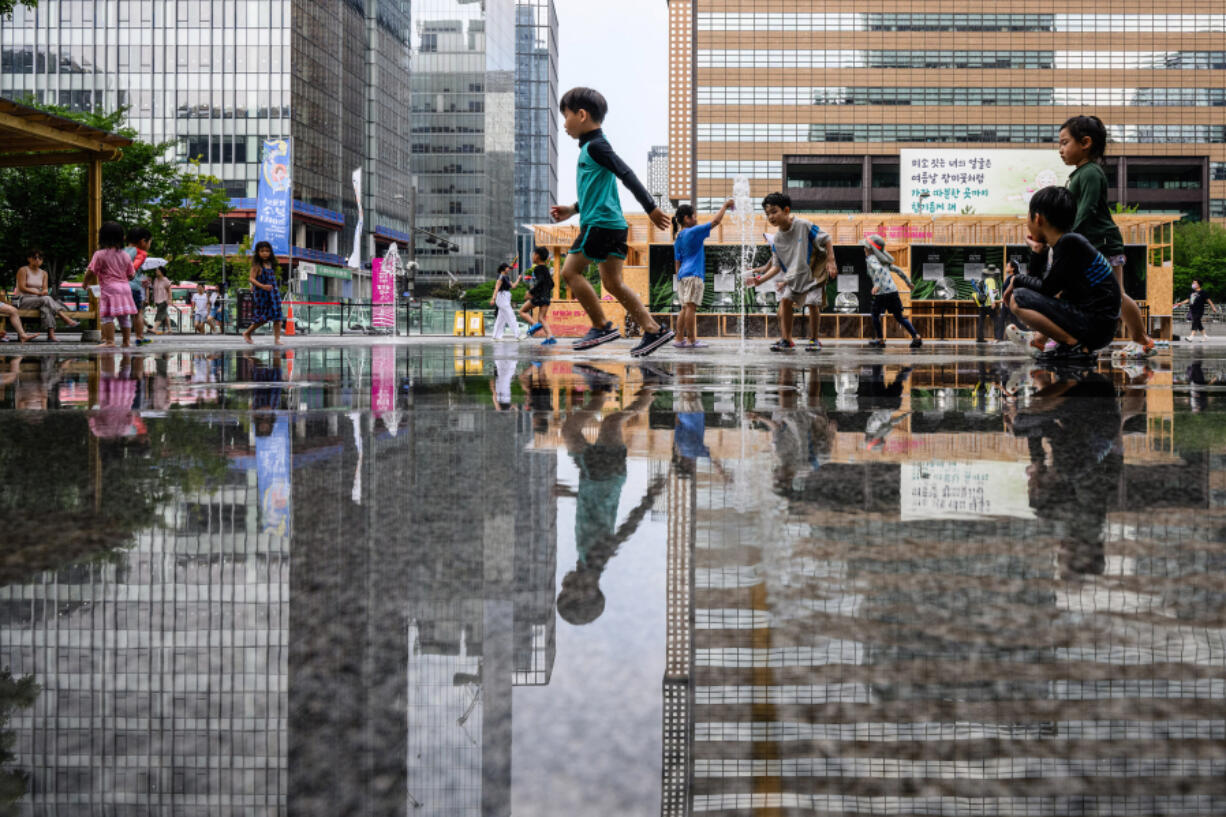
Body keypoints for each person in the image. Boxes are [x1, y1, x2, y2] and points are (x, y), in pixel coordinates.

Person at [549, 87, 674, 357]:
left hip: (599, 224)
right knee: (613, 283)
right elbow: (596, 193)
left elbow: (626, 173)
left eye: (566, 115)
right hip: (613, 224)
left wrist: (650, 207)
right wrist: (572, 209)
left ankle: (601, 325)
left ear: (581, 115)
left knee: (570, 273)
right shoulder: (591, 149)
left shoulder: (596, 146)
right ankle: (653, 329)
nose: (564, 123)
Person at [555, 373, 664, 625]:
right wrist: (651, 495)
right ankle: (648, 388)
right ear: (589, 591)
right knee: (611, 422)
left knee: (575, 428)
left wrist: (571, 493)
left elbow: (593, 511)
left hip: (592, 477)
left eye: (563, 592)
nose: (565, 586)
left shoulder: (585, 559)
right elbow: (627, 528)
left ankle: (602, 391)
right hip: (604, 476)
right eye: (569, 593)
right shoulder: (596, 559)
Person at [1058, 115, 1155, 358]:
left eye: (1064, 142)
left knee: (1115, 295)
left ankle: (1142, 340)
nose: (1060, 149)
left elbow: (1087, 210)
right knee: (1077, 292)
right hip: (1091, 244)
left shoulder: (1090, 173)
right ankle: (1049, 338)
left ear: (1085, 143)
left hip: (1103, 244)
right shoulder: (1080, 174)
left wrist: (1068, 241)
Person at [1003, 186, 1122, 362]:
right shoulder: (1069, 243)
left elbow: (1046, 289)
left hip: (1095, 325)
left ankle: (1073, 345)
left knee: (1018, 297)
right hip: (1097, 325)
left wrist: (1015, 279)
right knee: (1024, 293)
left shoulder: (1069, 243)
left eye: (1028, 216)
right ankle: (1059, 343)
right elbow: (1044, 287)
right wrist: (1037, 251)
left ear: (1038, 218)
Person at [744, 192, 836, 352]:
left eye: (774, 212)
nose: (771, 217)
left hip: (815, 271)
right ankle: (786, 340)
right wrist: (761, 280)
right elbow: (776, 266)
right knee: (786, 300)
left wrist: (831, 260)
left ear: (786, 210)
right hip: (798, 275)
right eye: (767, 214)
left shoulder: (803, 225)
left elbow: (826, 238)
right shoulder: (778, 239)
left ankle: (814, 339)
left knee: (812, 304)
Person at [671, 199, 733, 349]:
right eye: (694, 216)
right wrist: (725, 205)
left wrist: (679, 277)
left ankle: (679, 339)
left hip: (682, 276)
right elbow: (716, 222)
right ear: (687, 218)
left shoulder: (678, 237)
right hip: (694, 274)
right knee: (691, 308)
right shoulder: (693, 231)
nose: (696, 219)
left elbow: (677, 261)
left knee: (684, 308)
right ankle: (692, 340)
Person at [860, 234, 922, 349]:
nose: (864, 249)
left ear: (870, 249)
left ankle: (880, 340)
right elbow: (898, 270)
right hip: (893, 292)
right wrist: (908, 283)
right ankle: (916, 336)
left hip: (881, 293)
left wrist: (877, 284)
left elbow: (878, 270)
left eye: (865, 247)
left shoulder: (871, 259)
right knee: (899, 317)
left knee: (875, 316)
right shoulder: (883, 259)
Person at [87, 221, 138, 349]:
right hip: (125, 288)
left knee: (107, 316)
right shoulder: (125, 255)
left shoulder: (100, 254)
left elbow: (91, 271)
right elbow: (132, 274)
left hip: (109, 289)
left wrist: (84, 282)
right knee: (124, 317)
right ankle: (126, 342)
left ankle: (110, 341)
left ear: (102, 237)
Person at [14, 248, 79, 341]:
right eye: (35, 257)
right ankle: (65, 318)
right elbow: (22, 287)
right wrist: (38, 293)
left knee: (46, 306)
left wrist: (44, 292)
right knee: (46, 299)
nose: (37, 260)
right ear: (29, 258)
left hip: (39, 300)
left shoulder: (44, 273)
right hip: (23, 300)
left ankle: (51, 335)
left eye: (40, 258)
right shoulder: (23, 270)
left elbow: (45, 288)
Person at [243, 241, 285, 345]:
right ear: (258, 252)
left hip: (273, 293)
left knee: (278, 316)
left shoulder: (270, 264)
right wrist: (260, 286)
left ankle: (277, 339)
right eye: (262, 251)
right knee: (263, 317)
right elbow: (251, 278)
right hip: (262, 295)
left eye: (267, 251)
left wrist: (256, 285)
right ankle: (247, 333)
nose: (265, 253)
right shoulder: (257, 265)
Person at [521, 247, 558, 345]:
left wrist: (531, 292)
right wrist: (545, 291)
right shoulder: (545, 269)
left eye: (533, 255)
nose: (532, 257)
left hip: (538, 297)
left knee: (522, 311)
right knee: (541, 318)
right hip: (546, 297)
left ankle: (534, 325)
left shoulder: (538, 269)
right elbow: (552, 284)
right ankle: (550, 337)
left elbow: (540, 281)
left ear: (537, 256)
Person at [123, 226, 153, 345]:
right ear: (142, 241)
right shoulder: (141, 252)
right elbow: (133, 268)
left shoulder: (122, 251)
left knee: (119, 314)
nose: (149, 245)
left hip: (119, 285)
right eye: (150, 242)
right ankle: (139, 337)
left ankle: (109, 338)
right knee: (138, 312)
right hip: (132, 287)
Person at [490, 261, 521, 341]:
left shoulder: (506, 277)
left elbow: (513, 286)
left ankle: (496, 336)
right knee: (511, 316)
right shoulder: (500, 277)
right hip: (501, 297)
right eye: (507, 268)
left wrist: (518, 279)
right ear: (503, 269)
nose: (509, 269)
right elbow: (496, 288)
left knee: (501, 318)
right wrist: (493, 298)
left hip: (506, 297)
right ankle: (518, 335)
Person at [971, 269, 1002, 344]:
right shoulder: (991, 280)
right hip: (988, 303)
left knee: (981, 321)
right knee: (996, 320)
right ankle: (997, 337)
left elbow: (976, 290)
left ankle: (980, 338)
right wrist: (993, 301)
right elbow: (991, 291)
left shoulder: (982, 280)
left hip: (982, 304)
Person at [150, 266, 173, 334]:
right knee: (165, 314)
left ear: (161, 272)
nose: (156, 272)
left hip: (164, 300)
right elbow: (154, 290)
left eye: (157, 270)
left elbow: (169, 290)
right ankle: (169, 329)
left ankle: (154, 329)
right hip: (157, 300)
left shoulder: (165, 280)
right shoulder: (155, 280)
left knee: (159, 314)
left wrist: (170, 299)